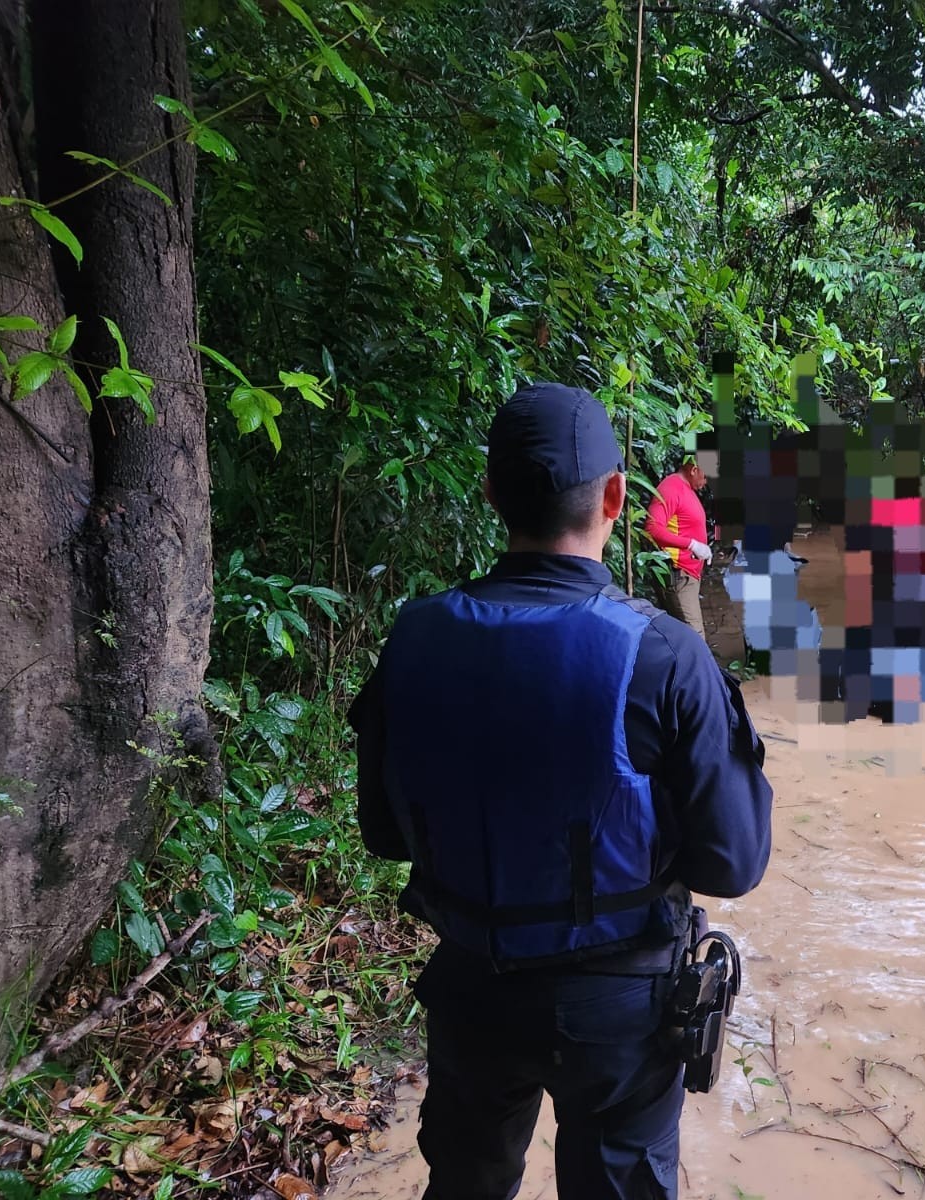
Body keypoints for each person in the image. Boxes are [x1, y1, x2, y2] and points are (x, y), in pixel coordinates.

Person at [347, 381, 774, 1200]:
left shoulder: (416, 636)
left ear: (489, 492)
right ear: (616, 496)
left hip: (473, 987)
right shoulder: (666, 655)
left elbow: (384, 832)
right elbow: (733, 862)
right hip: (620, 1011)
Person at [644, 454, 712, 637]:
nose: (706, 482)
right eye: (706, 476)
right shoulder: (671, 488)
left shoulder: (686, 488)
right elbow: (652, 528)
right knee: (695, 639)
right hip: (678, 574)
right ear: (694, 470)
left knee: (680, 637)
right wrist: (691, 545)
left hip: (687, 575)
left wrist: (702, 549)